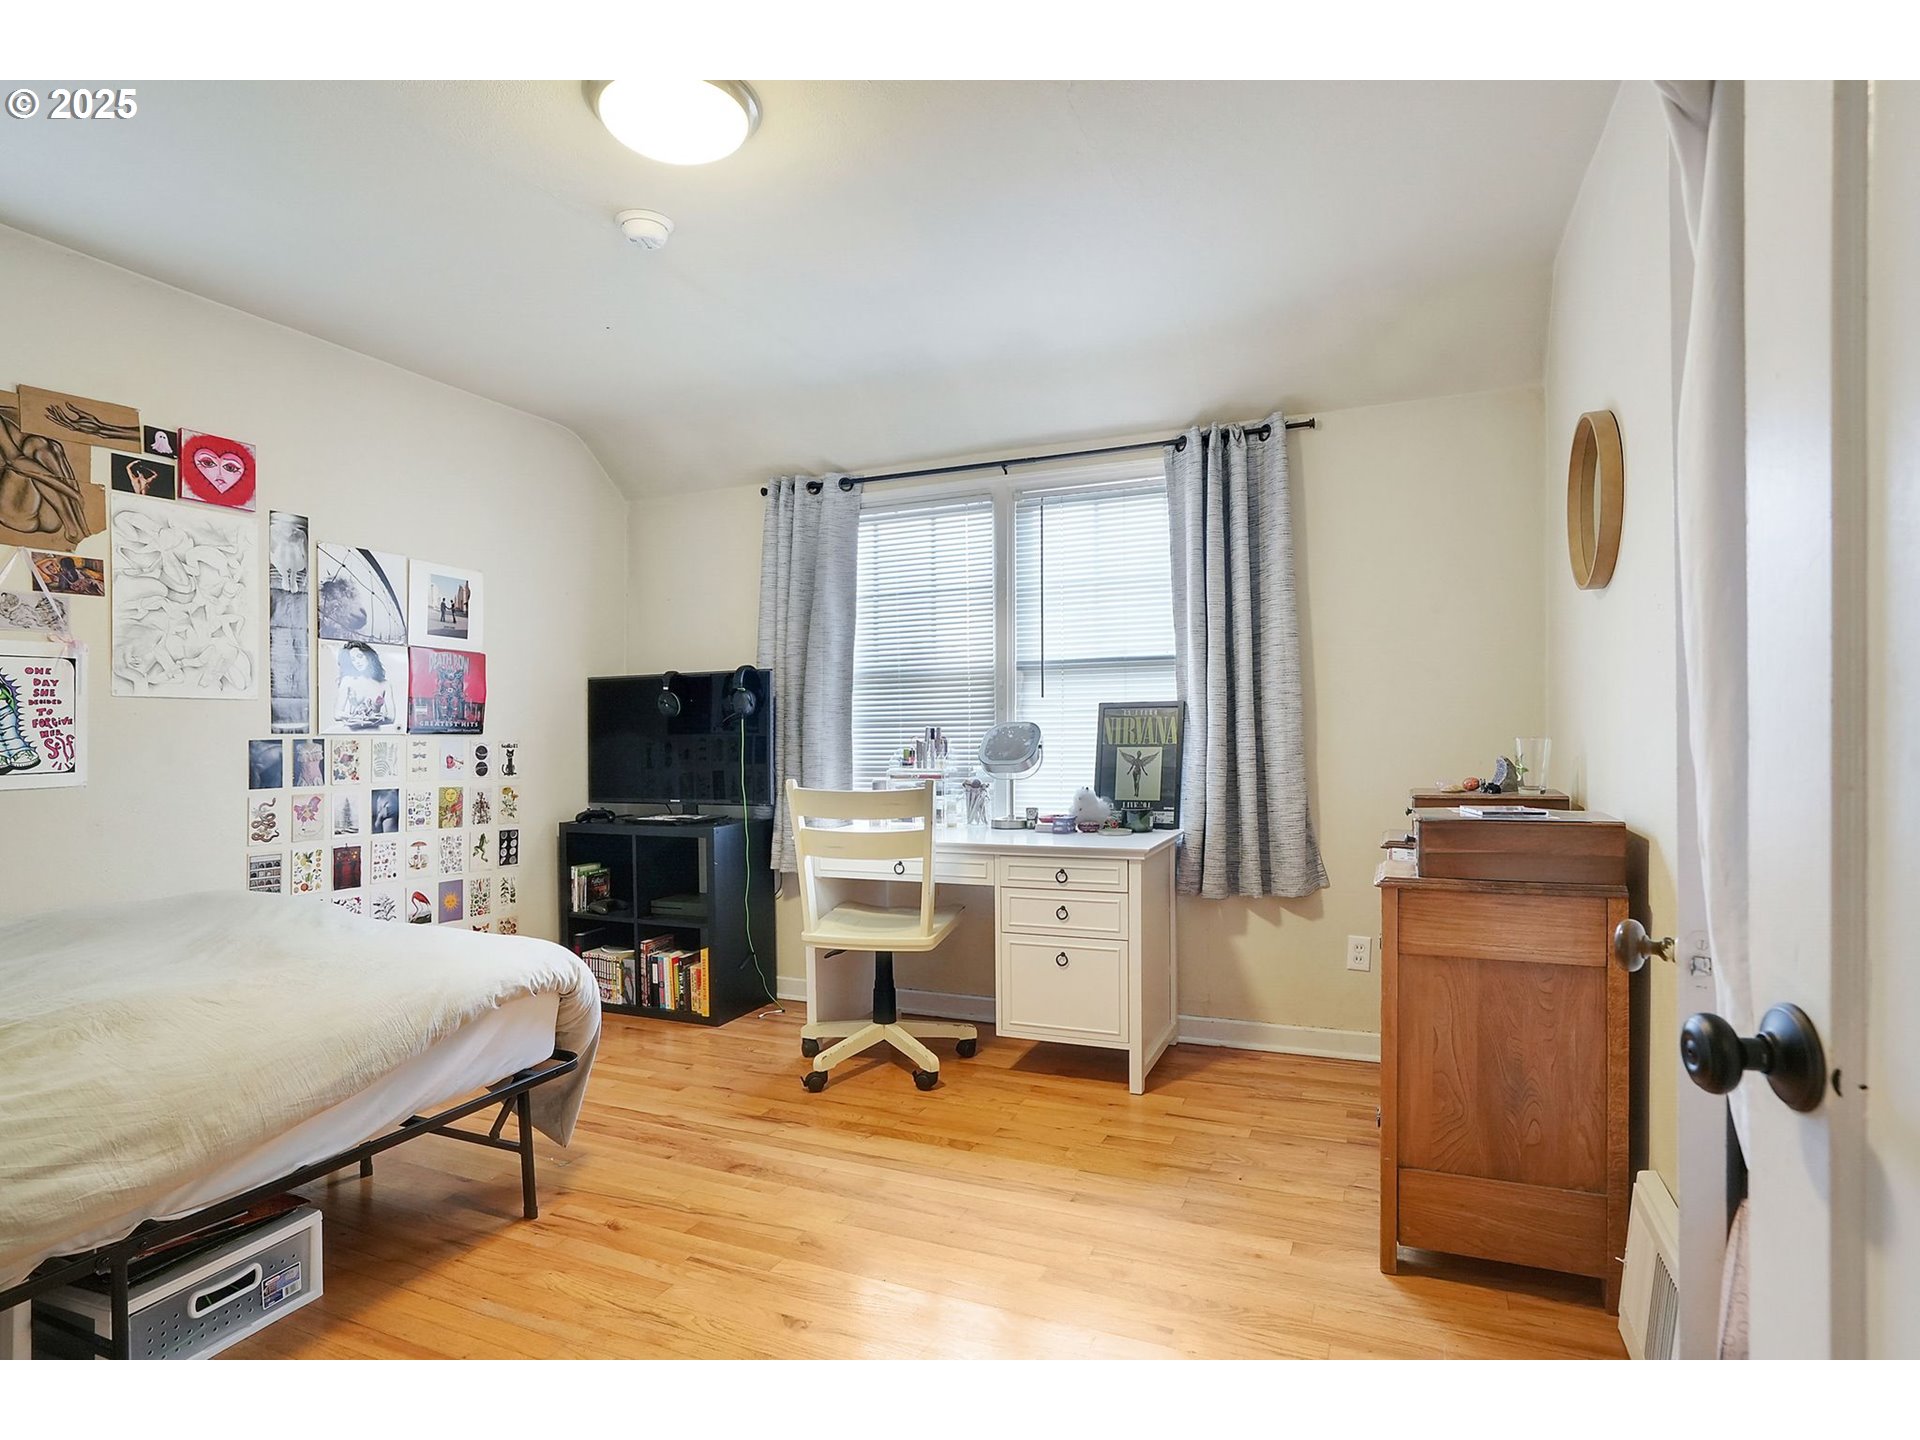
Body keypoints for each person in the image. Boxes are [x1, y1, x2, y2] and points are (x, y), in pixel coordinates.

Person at [333, 642, 393, 730]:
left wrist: (374, 718)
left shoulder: (385, 684)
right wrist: (353, 717)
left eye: (360, 656)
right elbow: (337, 714)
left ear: (369, 657)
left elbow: (391, 717)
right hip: (353, 733)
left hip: (375, 733)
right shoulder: (348, 680)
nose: (357, 662)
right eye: (353, 659)